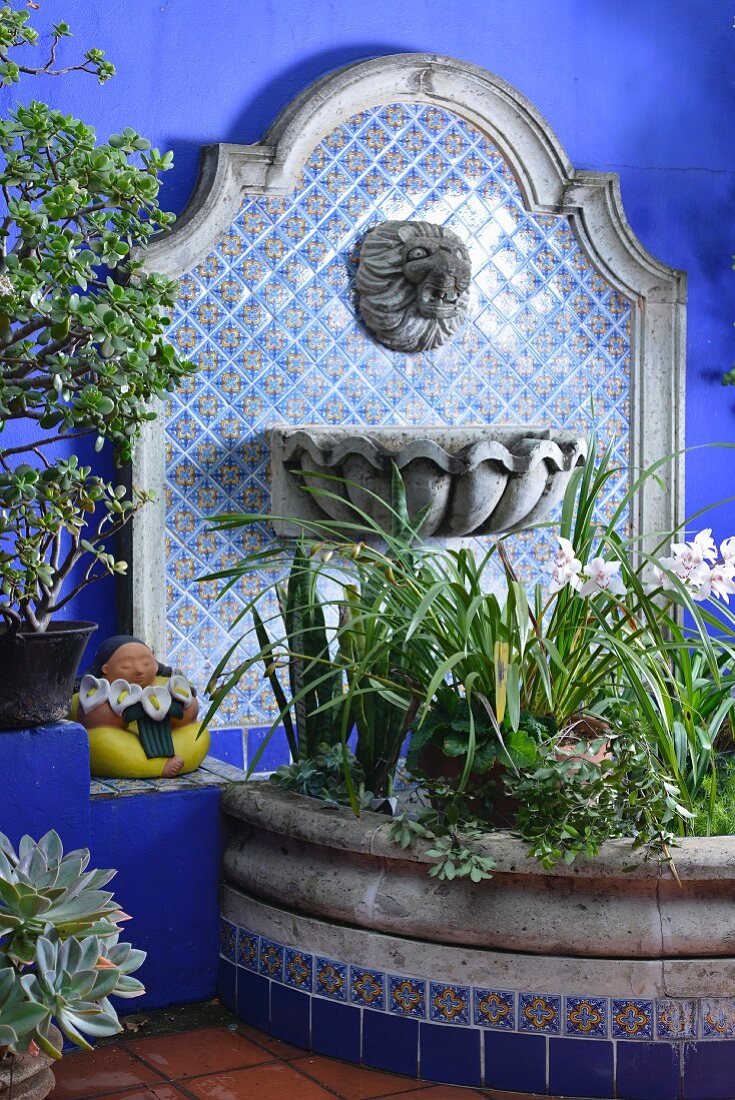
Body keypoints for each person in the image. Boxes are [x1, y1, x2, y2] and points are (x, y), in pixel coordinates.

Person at [75, 635, 206, 778]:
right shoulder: (93, 690)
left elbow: (191, 712)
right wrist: (128, 713)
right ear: (105, 669)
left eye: (146, 664)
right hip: (124, 742)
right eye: (126, 666)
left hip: (171, 740)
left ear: (155, 665)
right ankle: (157, 767)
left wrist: (176, 710)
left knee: (199, 733)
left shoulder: (170, 684)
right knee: (99, 741)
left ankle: (172, 760)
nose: (139, 670)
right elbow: (91, 718)